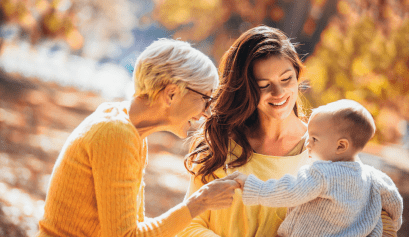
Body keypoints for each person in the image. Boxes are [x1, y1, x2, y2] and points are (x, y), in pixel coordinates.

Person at [178, 25, 399, 237]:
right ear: (246, 88)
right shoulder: (220, 147)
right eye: (264, 85)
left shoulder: (326, 150)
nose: (279, 92)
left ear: (297, 75)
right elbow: (189, 224)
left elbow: (373, 211)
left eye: (286, 79)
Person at [36, 38, 241, 237]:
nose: (207, 112)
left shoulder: (130, 129)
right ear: (171, 94)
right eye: (205, 99)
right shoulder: (115, 134)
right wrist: (199, 203)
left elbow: (135, 228)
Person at [233, 99, 403, 237]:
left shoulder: (321, 174)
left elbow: (289, 191)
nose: (307, 142)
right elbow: (395, 204)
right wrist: (393, 225)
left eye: (314, 138)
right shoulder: (374, 177)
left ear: (341, 146)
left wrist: (252, 186)